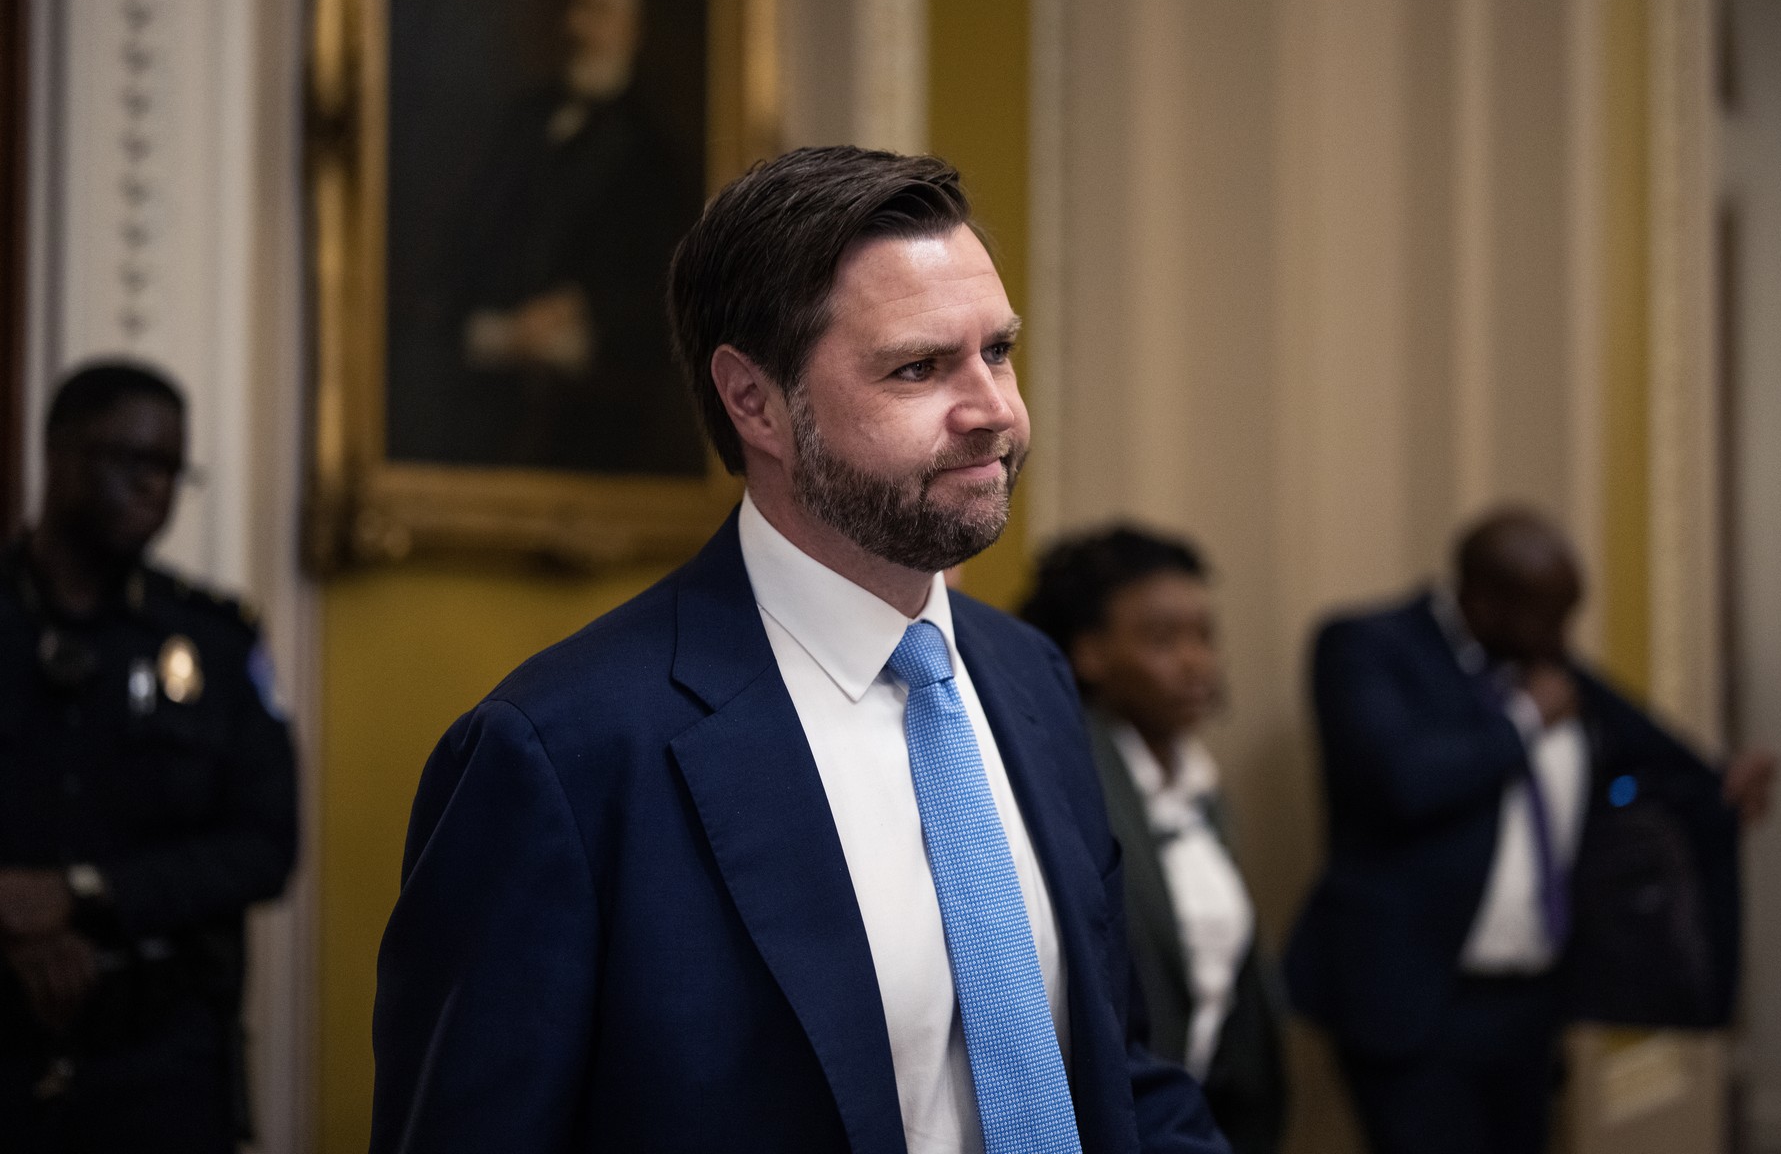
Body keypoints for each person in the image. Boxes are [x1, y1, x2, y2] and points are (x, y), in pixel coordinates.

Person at [370, 147, 1227, 1153]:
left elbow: (1112, 1072)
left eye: (997, 351)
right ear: (755, 402)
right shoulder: (561, 755)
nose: (994, 409)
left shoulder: (1027, 677)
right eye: (918, 367)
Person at [1284, 507, 1776, 1154]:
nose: (1563, 637)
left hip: (1531, 1006)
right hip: (1417, 1005)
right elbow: (1401, 783)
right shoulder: (1368, 648)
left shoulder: (1549, 668)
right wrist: (1520, 723)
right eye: (1549, 617)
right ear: (1483, 605)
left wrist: (1724, 784)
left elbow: (1653, 757)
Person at [0, 361, 298, 1153]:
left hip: (159, 1063)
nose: (153, 489)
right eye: (131, 462)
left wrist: (81, 895)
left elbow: (266, 846)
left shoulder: (214, 640)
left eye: (171, 470)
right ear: (57, 452)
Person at [1020, 526, 1289, 1154]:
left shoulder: (1196, 780)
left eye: (1204, 637)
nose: (1197, 662)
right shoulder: (1071, 775)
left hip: (1198, 1114)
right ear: (1088, 653)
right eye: (1164, 640)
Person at [396, 0, 705, 474]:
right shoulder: (523, 125)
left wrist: (581, 309)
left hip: (603, 421)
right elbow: (463, 255)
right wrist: (496, 326)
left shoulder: (658, 152)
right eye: (571, 7)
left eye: (597, 8)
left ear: (632, 26)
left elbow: (673, 294)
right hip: (492, 400)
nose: (578, 27)